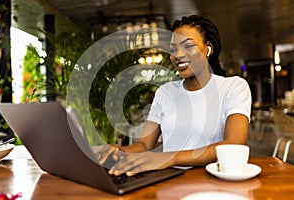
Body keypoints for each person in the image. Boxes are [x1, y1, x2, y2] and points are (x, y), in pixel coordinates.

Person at [95, 14, 252, 176]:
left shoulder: (233, 87)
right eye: (173, 49)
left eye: (188, 46)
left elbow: (235, 143)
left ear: (209, 48)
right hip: (167, 179)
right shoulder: (165, 92)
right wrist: (119, 150)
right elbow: (144, 144)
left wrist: (169, 157)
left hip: (210, 179)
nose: (178, 54)